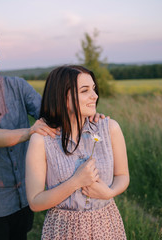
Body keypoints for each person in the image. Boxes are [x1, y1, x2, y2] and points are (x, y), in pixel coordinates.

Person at [0, 26, 104, 240]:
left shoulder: (18, 86)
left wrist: (87, 114)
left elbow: (52, 113)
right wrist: (30, 131)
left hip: (26, 196)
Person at [26, 65, 129, 239]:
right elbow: (35, 202)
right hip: (63, 230)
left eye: (94, 89)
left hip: (106, 225)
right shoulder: (41, 140)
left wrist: (109, 193)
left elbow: (123, 176)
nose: (94, 96)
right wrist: (76, 181)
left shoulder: (110, 128)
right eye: (84, 91)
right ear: (62, 97)